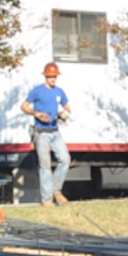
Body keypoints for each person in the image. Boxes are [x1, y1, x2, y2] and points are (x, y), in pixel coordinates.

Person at [22, 62, 73, 206]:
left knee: (65, 159)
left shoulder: (59, 92)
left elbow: (67, 106)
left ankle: (56, 190)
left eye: (55, 76)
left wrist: (65, 113)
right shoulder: (37, 91)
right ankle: (46, 200)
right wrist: (35, 113)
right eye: (50, 76)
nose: (53, 79)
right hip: (41, 132)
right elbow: (24, 106)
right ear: (45, 76)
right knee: (45, 165)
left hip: (55, 131)